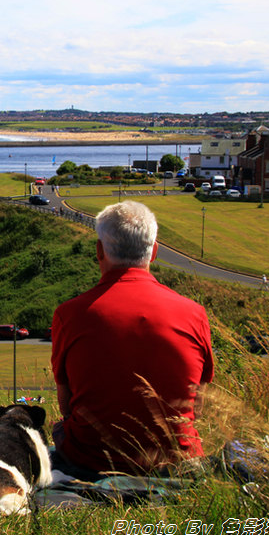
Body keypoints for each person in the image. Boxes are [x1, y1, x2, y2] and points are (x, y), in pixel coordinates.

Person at [50, 201, 214, 477]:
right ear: (154, 252)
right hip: (176, 459)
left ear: (100, 251)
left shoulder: (70, 314)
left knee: (59, 428)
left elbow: (66, 402)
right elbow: (199, 399)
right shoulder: (194, 314)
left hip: (93, 460)